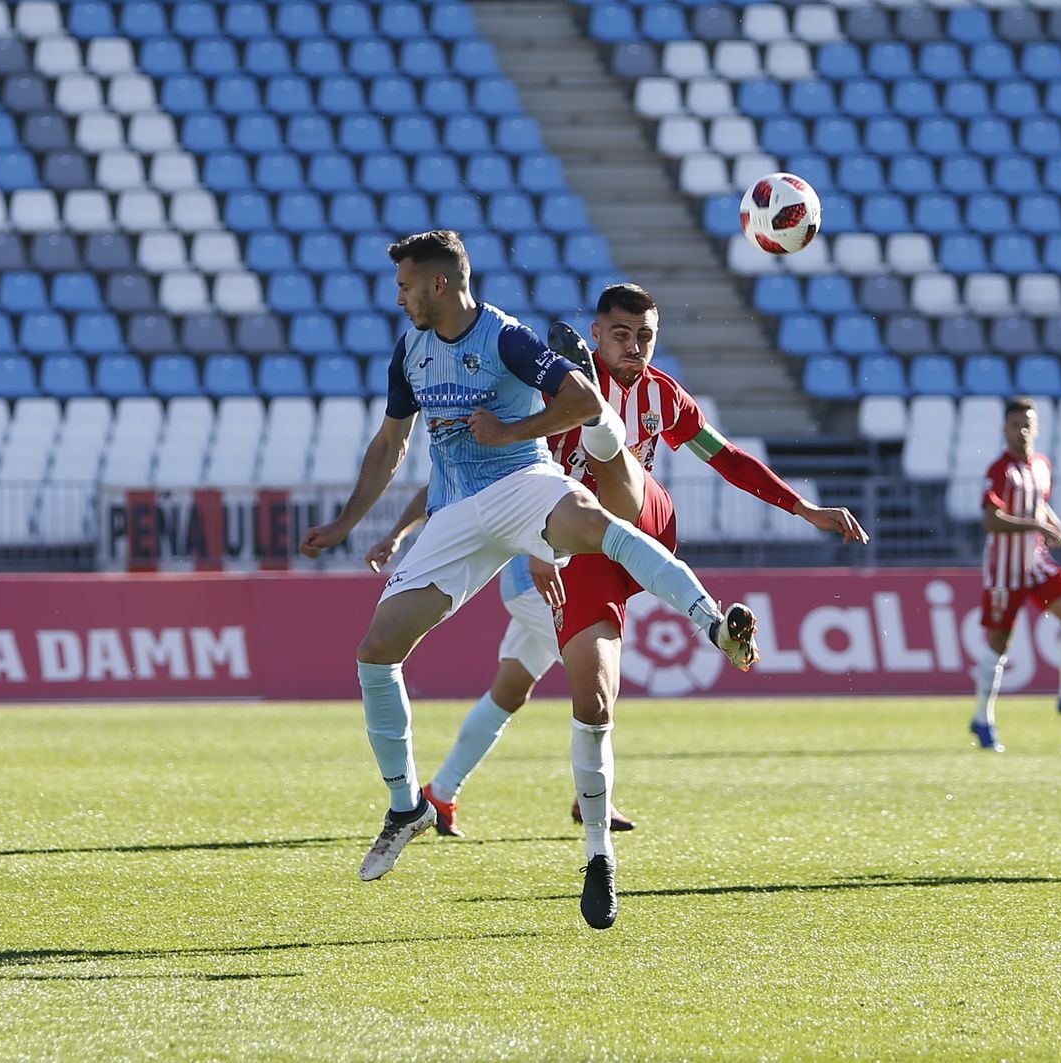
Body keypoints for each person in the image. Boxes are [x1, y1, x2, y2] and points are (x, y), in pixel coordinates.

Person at [298, 232, 757, 931]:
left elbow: (578, 400)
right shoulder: (410, 350)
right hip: (455, 516)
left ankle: (712, 621)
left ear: (442, 285)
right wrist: (346, 522)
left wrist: (511, 434)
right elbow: (391, 443)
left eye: (406, 285)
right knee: (375, 652)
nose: (398, 296)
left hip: (522, 486)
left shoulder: (506, 337)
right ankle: (406, 806)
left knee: (603, 528)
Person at [522, 284, 866, 913]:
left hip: (643, 516)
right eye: (621, 334)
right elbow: (521, 473)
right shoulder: (553, 388)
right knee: (594, 699)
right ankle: (600, 856)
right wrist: (534, 547)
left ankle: (711, 622)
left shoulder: (662, 394)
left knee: (615, 461)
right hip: (580, 551)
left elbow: (727, 457)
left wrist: (805, 508)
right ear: (596, 335)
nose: (635, 347)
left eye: (646, 335)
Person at [366, 506, 636, 836]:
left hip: (547, 580)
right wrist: (397, 533)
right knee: (599, 685)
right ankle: (593, 798)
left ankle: (440, 793)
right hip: (541, 581)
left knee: (509, 691)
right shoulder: (547, 453)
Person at [970, 397, 1061, 752]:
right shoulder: (1000, 470)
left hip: (1036, 563)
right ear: (1005, 430)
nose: (1022, 431)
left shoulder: (1041, 465)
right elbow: (991, 519)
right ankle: (982, 719)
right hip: (1004, 571)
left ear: (1036, 427)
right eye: (1015, 425)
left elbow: (1041, 505)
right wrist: (1038, 525)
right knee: (999, 646)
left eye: (1028, 424)